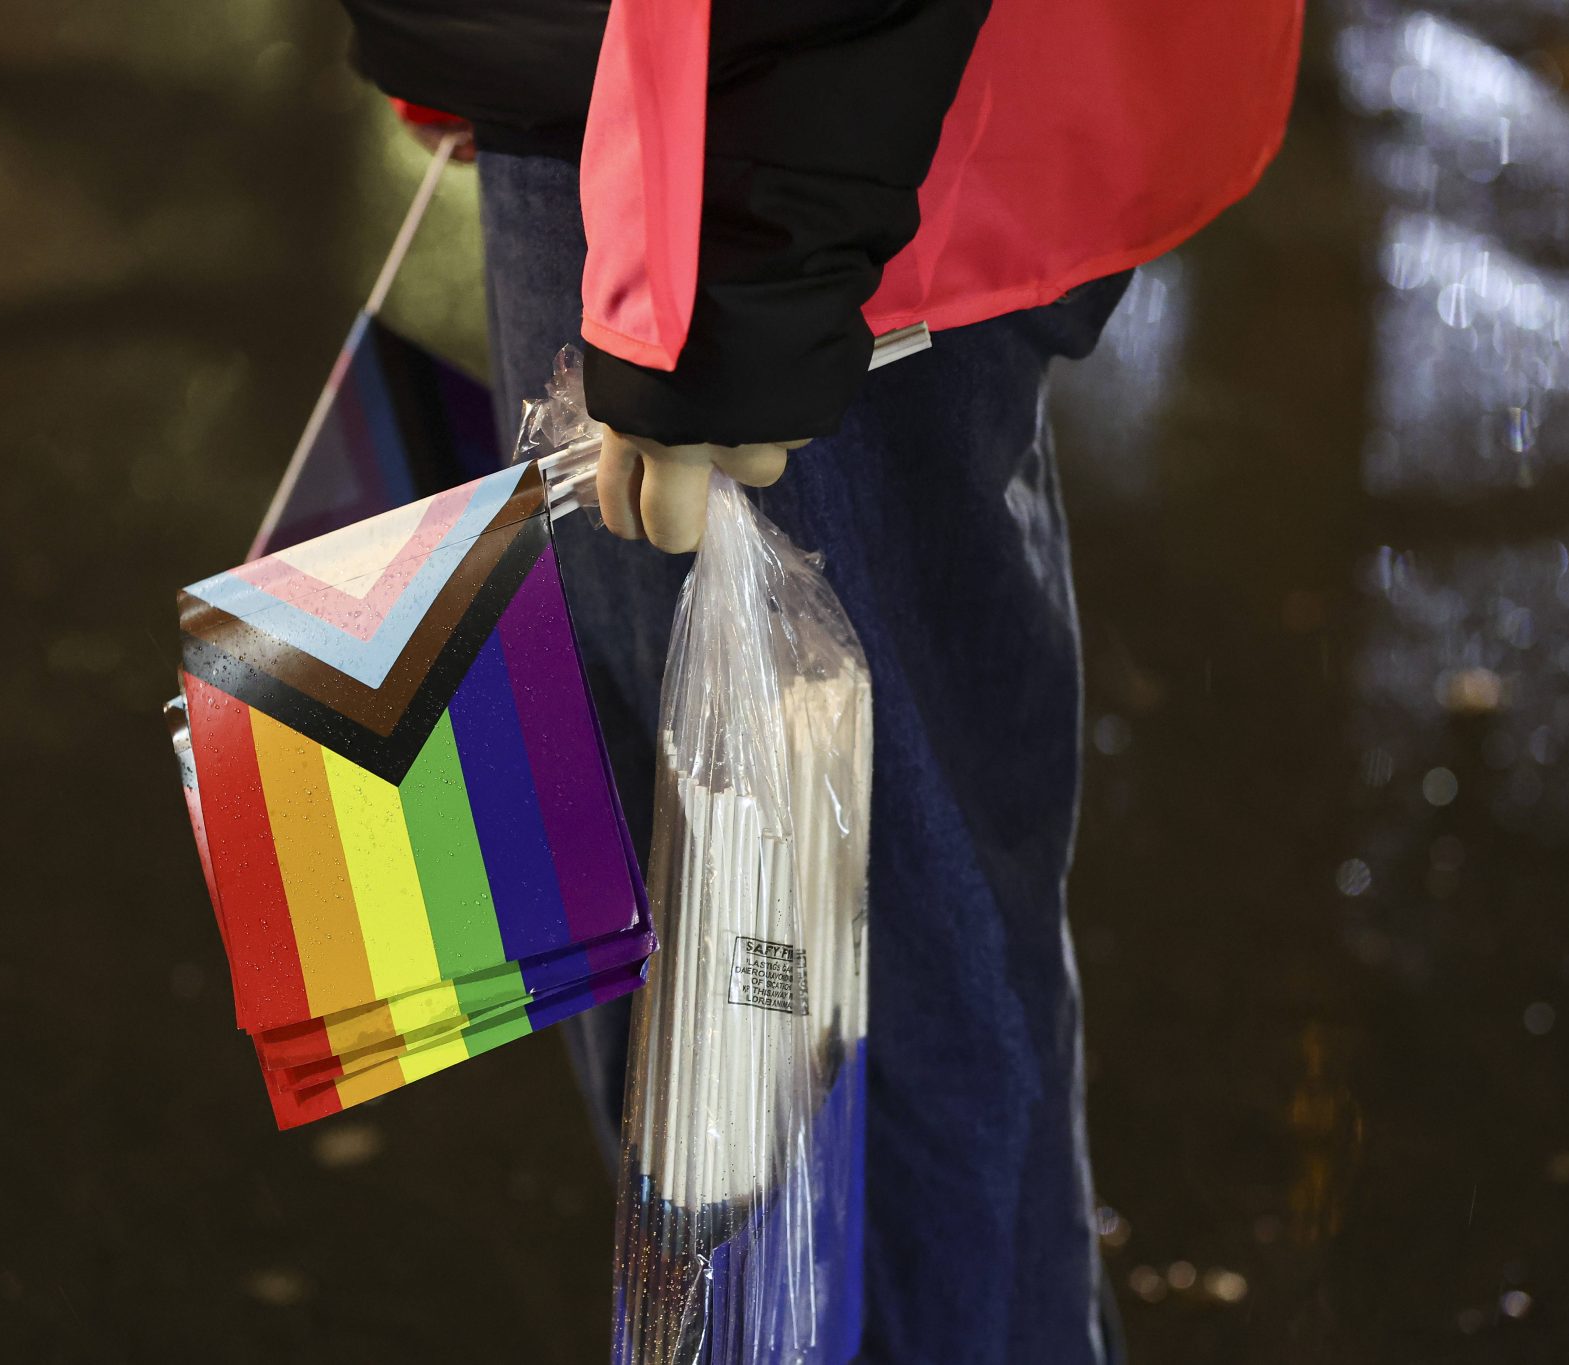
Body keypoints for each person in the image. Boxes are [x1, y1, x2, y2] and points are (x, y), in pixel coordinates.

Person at [339, 1, 1303, 1359]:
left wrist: (751, 241)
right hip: (713, 127)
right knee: (763, 1009)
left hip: (761, 134)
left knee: (824, 1045)